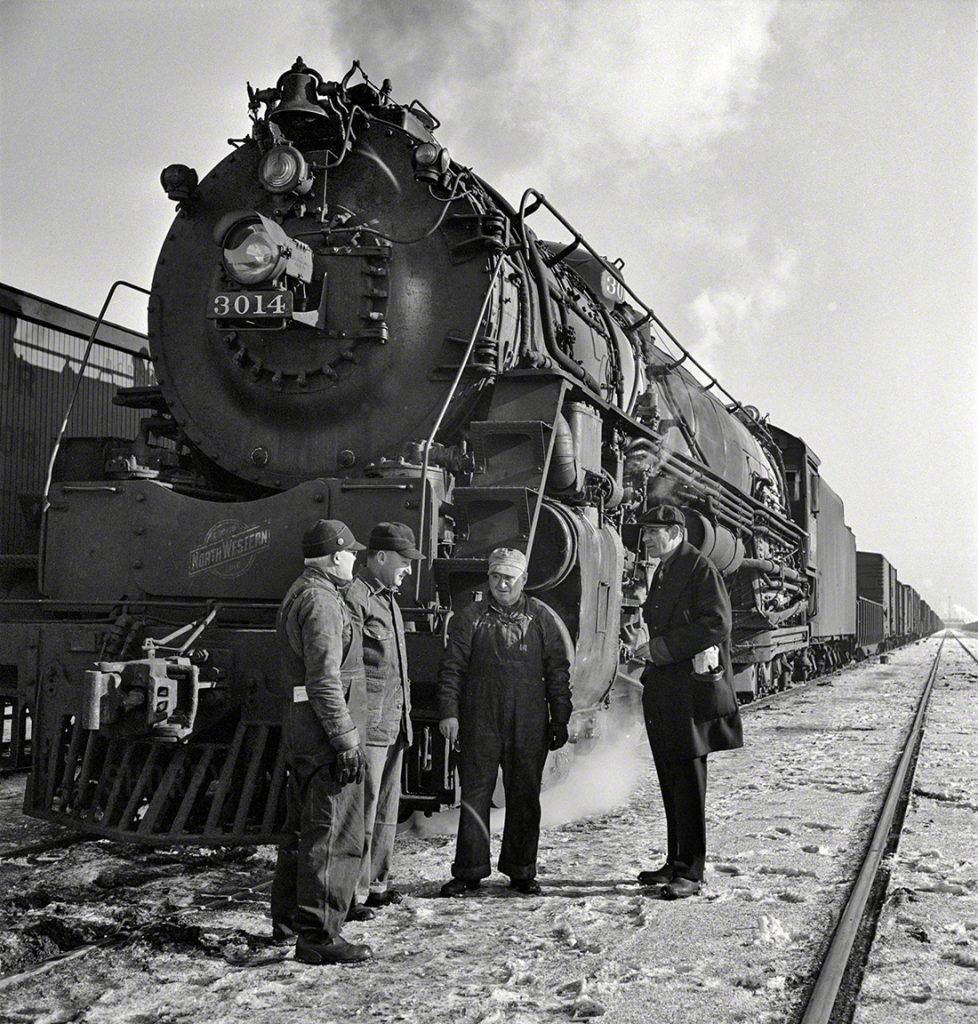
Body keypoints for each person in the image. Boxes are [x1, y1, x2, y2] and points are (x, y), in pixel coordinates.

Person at [437, 547, 572, 897]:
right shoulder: (471, 617)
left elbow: (557, 670)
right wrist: (449, 712)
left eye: (509, 578)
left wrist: (560, 717)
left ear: (523, 579)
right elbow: (452, 669)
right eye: (495, 576)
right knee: (475, 795)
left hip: (528, 722)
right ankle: (469, 871)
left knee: (524, 797)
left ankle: (522, 870)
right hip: (480, 719)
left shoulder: (540, 618)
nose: (501, 584)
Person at [270, 518, 372, 964]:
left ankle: (289, 921)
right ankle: (319, 936)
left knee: (302, 831)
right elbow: (324, 680)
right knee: (332, 833)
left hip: (305, 729)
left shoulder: (303, 590)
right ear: (335, 557)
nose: (355, 560)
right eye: (351, 553)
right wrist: (346, 740)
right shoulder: (322, 601)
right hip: (326, 736)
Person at [635, 504, 743, 899]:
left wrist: (660, 648)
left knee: (689, 782)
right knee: (672, 780)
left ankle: (691, 872)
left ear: (677, 532)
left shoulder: (699, 568)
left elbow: (717, 623)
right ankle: (675, 861)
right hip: (667, 690)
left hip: (688, 691)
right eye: (646, 531)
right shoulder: (666, 568)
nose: (647, 538)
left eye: (654, 531)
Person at [344, 522, 421, 912]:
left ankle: (377, 885)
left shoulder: (388, 598)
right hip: (369, 724)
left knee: (387, 807)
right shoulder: (356, 598)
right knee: (363, 808)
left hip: (393, 720)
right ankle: (351, 894)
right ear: (379, 557)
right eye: (403, 561)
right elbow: (347, 670)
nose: (408, 569)